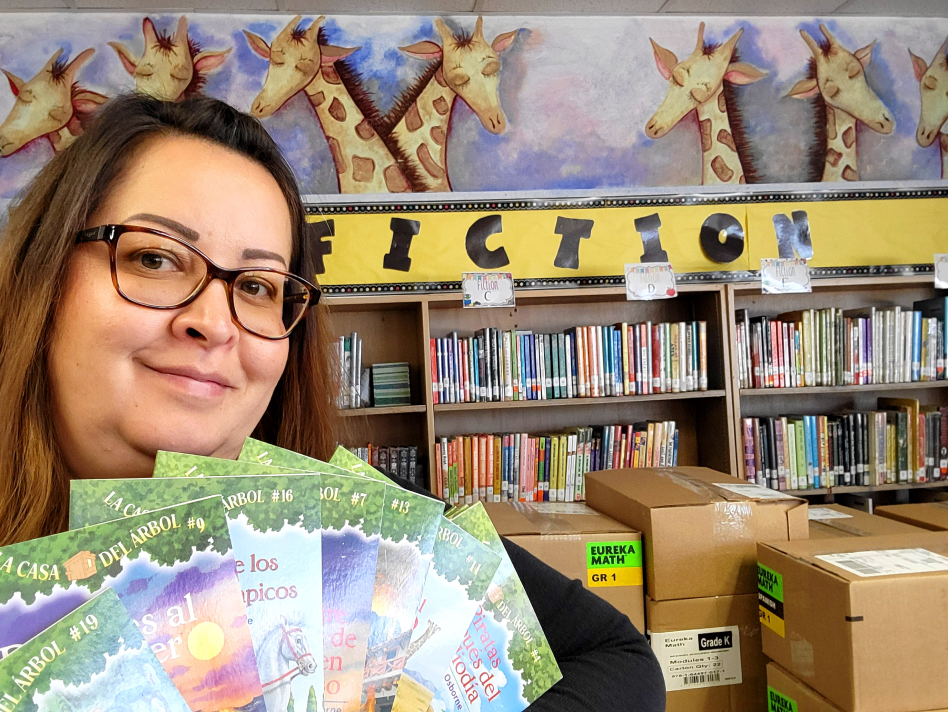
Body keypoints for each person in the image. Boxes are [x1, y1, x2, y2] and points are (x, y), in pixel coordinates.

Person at [0, 93, 665, 711]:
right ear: (45, 273)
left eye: (258, 285)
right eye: (156, 259)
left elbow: (620, 660)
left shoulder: (351, 533)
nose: (216, 321)